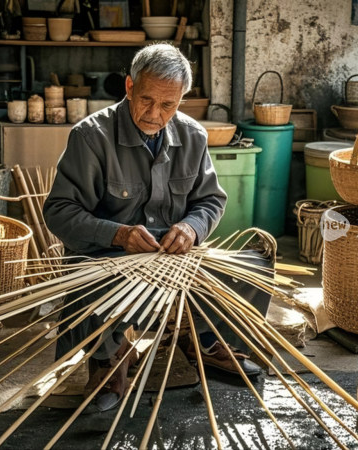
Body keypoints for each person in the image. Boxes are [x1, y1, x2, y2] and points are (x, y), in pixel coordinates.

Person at [43, 44, 261, 412]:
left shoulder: (193, 136)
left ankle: (202, 340)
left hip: (174, 257)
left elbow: (210, 201)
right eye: (146, 100)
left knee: (252, 267)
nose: (155, 114)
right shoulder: (90, 137)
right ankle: (109, 356)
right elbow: (59, 211)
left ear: (181, 101)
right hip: (109, 258)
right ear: (128, 86)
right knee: (99, 285)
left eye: (168, 105)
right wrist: (117, 234)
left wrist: (191, 229)